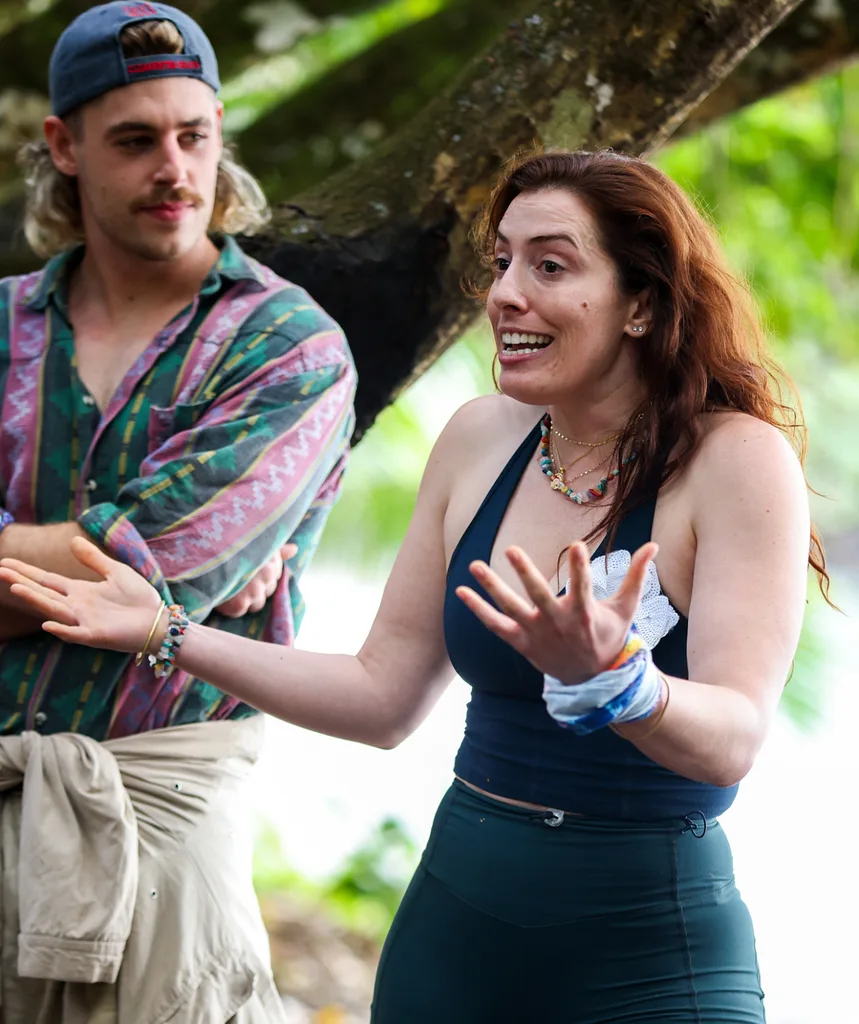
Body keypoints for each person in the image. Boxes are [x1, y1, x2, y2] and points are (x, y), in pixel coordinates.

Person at [1, 150, 827, 1023]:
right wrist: (166, 631)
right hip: (456, 932)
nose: (506, 292)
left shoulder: (734, 460)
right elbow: (380, 696)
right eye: (500, 261)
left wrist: (620, 680)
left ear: (642, 303)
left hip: (650, 947)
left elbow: (734, 738)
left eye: (549, 265)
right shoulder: (480, 439)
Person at [0, 3, 355, 1021]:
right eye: (136, 140)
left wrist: (102, 568)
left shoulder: (289, 351)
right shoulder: (0, 326)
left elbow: (150, 584)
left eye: (194, 135)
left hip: (158, 819)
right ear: (63, 147)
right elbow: (110, 572)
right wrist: (77, 555)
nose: (175, 168)